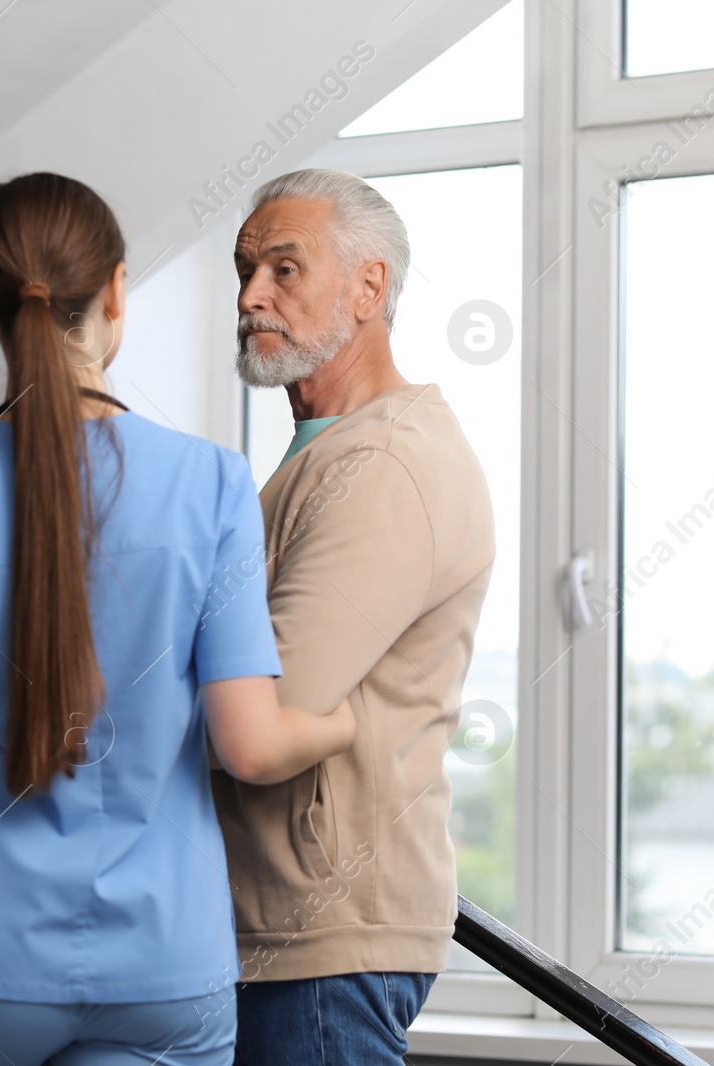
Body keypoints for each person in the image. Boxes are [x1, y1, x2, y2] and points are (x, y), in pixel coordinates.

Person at [0, 171, 355, 1066]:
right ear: (118, 291)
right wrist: (347, 719)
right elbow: (248, 743)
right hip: (162, 970)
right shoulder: (211, 483)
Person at [213, 168, 496, 1066]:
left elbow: (266, 712)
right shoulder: (324, 453)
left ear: (369, 287)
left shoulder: (380, 465)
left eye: (284, 270)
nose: (252, 296)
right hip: (280, 936)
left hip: (323, 943)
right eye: (245, 270)